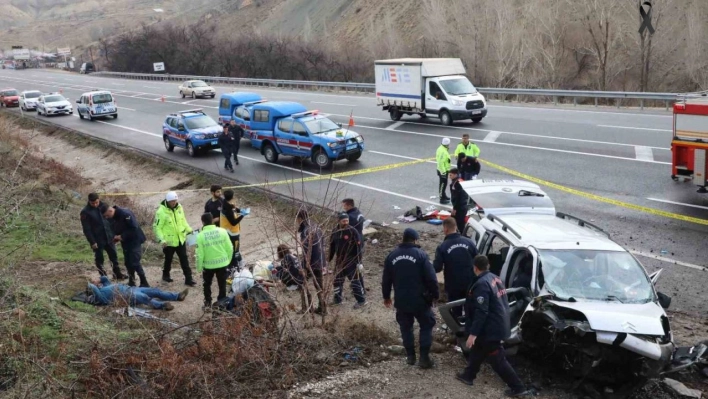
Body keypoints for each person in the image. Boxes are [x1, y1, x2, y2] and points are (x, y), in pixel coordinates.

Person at [456, 255, 533, 397]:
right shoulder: (495, 278)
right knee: (478, 350)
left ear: (475, 268)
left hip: (490, 329)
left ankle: (519, 388)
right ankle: (468, 376)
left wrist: (473, 334)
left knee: (498, 360)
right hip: (499, 323)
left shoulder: (480, 285)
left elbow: (481, 311)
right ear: (488, 266)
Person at [382, 228, 439, 369]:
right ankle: (424, 358)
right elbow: (431, 278)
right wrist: (435, 295)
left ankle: (410, 356)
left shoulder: (391, 256)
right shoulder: (421, 255)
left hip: (401, 300)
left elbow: (386, 279)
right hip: (420, 300)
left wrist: (386, 296)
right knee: (426, 325)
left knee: (405, 327)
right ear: (415, 240)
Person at [433, 217, 478, 320]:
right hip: (470, 283)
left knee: (456, 309)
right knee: (470, 308)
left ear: (445, 229)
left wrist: (425, 268)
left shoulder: (442, 247)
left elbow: (437, 268)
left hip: (453, 285)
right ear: (456, 227)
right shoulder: (469, 242)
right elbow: (478, 260)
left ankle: (458, 330)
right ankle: (470, 328)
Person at [101, 204, 150, 288]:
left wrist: (122, 236)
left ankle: (144, 282)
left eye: (107, 215)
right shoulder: (111, 218)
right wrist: (115, 238)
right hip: (126, 242)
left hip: (135, 240)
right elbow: (115, 229)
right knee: (127, 262)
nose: (106, 217)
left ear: (110, 210)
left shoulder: (125, 214)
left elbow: (133, 227)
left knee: (135, 262)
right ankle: (132, 281)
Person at [153, 191, 196, 286]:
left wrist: (189, 229)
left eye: (175, 201)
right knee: (168, 259)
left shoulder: (179, 207)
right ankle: (166, 275)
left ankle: (189, 278)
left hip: (180, 238)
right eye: (172, 201)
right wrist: (161, 240)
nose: (174, 203)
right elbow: (157, 227)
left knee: (184, 259)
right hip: (169, 242)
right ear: (168, 201)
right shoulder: (161, 212)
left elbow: (183, 220)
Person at [80, 193, 126, 280]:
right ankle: (103, 276)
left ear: (99, 199)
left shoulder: (104, 206)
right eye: (93, 203)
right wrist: (92, 242)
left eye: (96, 202)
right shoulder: (85, 212)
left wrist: (115, 233)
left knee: (114, 256)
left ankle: (117, 274)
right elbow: (87, 229)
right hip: (97, 239)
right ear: (89, 201)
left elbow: (111, 219)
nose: (95, 205)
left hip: (109, 236)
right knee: (99, 259)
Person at [195, 213, 234, 308]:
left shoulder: (200, 236)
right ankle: (222, 304)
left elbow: (200, 255)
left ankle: (208, 304)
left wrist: (199, 268)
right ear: (212, 220)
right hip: (223, 263)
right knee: (222, 285)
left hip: (208, 266)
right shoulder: (222, 231)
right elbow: (230, 248)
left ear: (203, 222)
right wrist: (227, 261)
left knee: (207, 285)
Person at [329, 213, 366, 308]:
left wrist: (359, 262)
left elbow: (359, 247)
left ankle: (361, 301)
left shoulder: (352, 231)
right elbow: (332, 247)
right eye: (343, 221)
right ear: (339, 221)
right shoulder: (335, 231)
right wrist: (328, 259)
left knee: (354, 281)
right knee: (337, 281)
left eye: (347, 221)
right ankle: (337, 299)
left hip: (351, 261)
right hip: (339, 261)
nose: (346, 223)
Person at [88, 275, 188, 310]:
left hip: (131, 289)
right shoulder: (99, 297)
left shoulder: (105, 286)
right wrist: (89, 283)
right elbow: (92, 287)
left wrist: (98, 280)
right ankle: (162, 306)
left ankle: (177, 296)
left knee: (155, 291)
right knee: (144, 297)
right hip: (126, 296)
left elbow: (104, 279)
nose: (95, 284)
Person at [297, 209, 327, 315]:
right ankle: (323, 308)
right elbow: (323, 242)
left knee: (301, 283)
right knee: (319, 285)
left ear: (300, 219)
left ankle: (305, 307)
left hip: (312, 262)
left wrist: (304, 266)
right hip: (320, 260)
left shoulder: (306, 231)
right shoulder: (316, 226)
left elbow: (307, 251)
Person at [277, 244, 310, 313]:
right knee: (304, 292)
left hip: (297, 277)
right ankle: (307, 307)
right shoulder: (293, 255)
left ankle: (304, 308)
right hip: (302, 275)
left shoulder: (286, 258)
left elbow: (284, 269)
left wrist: (277, 268)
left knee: (279, 272)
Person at [220, 189, 245, 269]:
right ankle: (235, 267)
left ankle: (239, 263)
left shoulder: (225, 203)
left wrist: (239, 210)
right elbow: (233, 222)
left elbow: (234, 209)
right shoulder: (228, 210)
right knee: (235, 251)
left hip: (226, 232)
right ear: (232, 197)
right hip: (232, 233)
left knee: (233, 250)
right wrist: (243, 215)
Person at [448, 167, 470, 234]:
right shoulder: (460, 181)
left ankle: (461, 234)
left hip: (460, 207)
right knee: (459, 221)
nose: (449, 176)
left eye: (451, 175)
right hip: (463, 205)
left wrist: (455, 208)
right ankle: (461, 233)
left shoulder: (456, 184)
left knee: (458, 222)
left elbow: (457, 197)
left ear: (455, 175)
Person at [436, 137, 452, 204]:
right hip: (443, 171)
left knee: (444, 184)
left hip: (444, 170)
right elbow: (440, 162)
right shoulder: (443, 151)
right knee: (442, 185)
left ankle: (444, 195)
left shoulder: (442, 148)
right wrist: (443, 173)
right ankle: (441, 199)